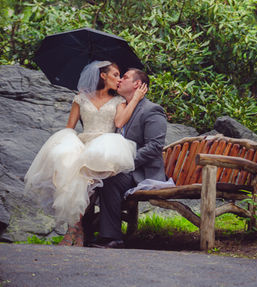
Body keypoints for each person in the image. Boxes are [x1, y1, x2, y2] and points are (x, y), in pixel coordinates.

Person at [24, 61, 147, 246]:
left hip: (105, 147)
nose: (119, 79)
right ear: (103, 76)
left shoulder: (119, 101)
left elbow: (120, 122)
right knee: (69, 170)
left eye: (121, 76)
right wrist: (65, 146)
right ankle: (76, 228)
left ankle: (75, 230)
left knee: (84, 175)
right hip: (82, 143)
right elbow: (70, 127)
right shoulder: (80, 98)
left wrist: (136, 98)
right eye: (115, 74)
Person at [86, 68, 167, 249]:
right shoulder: (121, 108)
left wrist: (125, 164)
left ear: (137, 84)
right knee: (87, 175)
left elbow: (154, 147)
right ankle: (85, 231)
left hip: (141, 172)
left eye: (125, 77)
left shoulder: (152, 110)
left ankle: (113, 238)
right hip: (122, 168)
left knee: (110, 180)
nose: (120, 80)